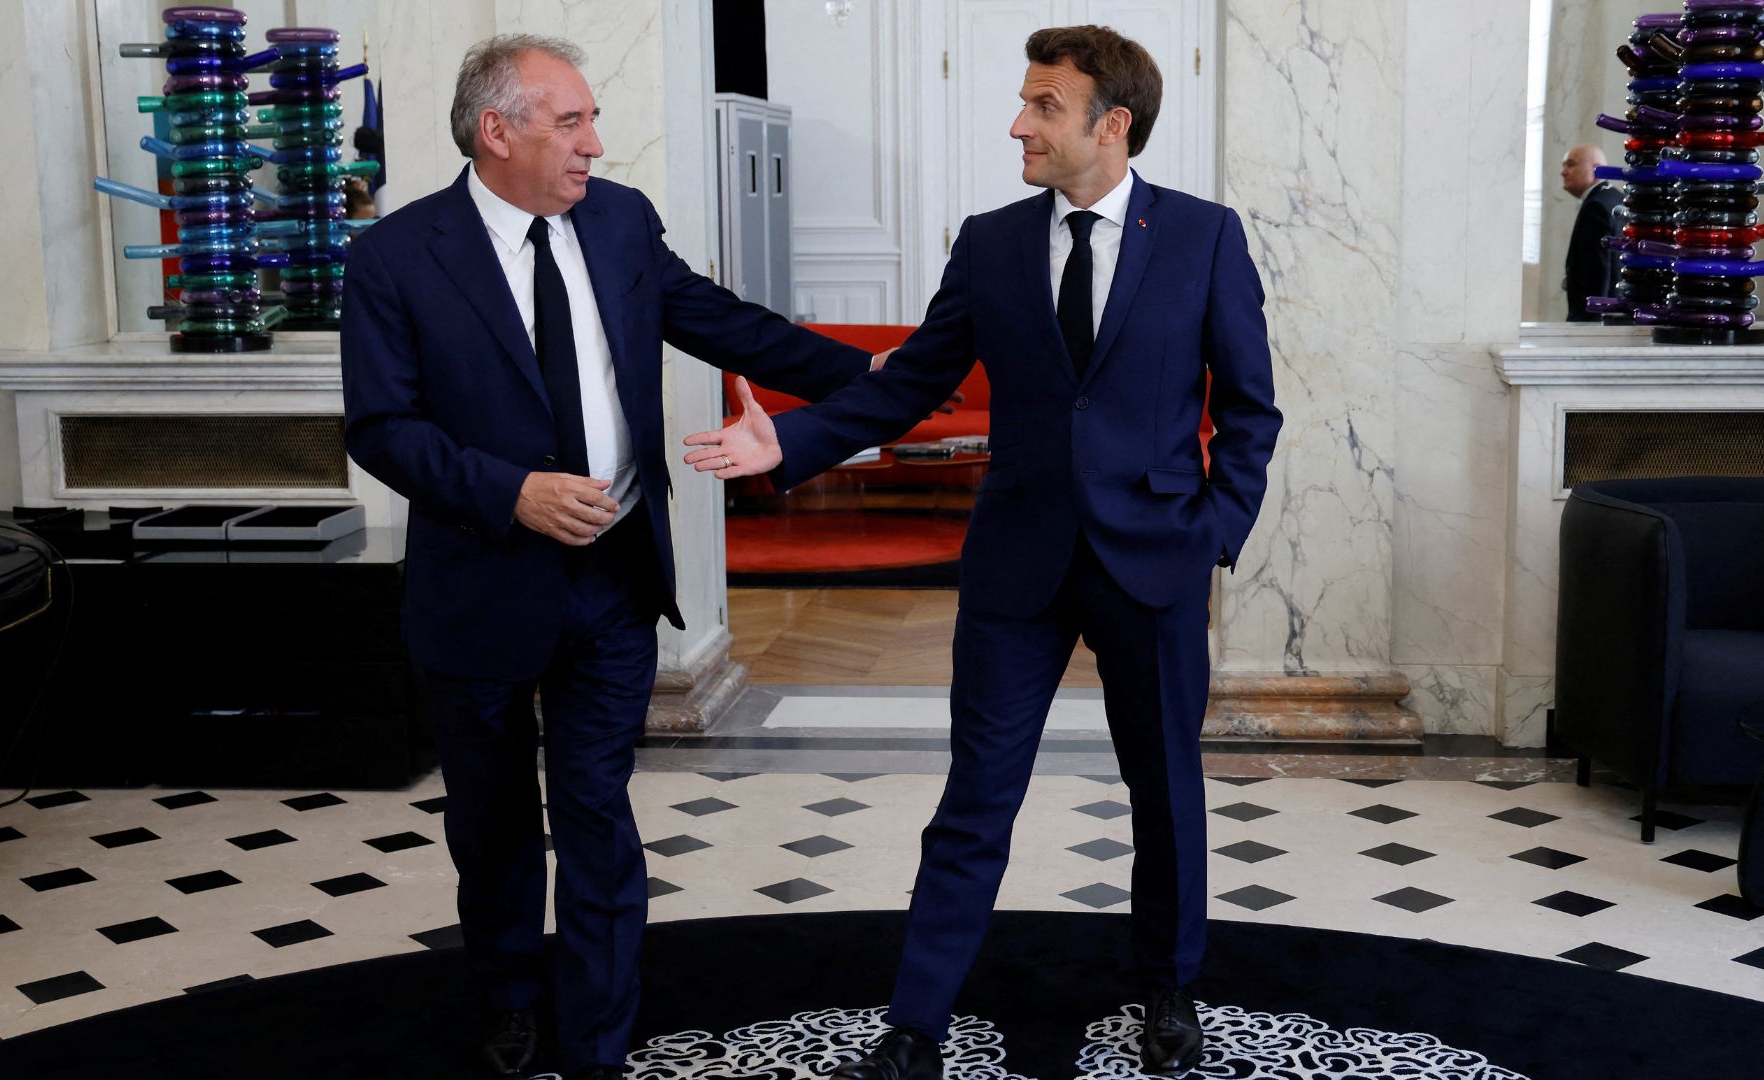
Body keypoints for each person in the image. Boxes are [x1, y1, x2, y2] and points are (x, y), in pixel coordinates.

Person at [686, 25, 1282, 1080]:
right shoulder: (992, 241)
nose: (1020, 122)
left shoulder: (1204, 237)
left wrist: (1214, 535)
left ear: (1114, 124)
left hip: (1156, 558)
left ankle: (1169, 987)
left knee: (1166, 790)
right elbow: (907, 382)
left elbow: (1249, 410)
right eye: (1023, 101)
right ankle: (916, 1023)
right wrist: (790, 442)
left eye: (1044, 105)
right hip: (1018, 563)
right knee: (976, 796)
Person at [339, 34, 878, 1080]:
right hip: (480, 588)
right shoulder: (397, 257)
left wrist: (883, 377)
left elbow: (722, 322)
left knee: (595, 808)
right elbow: (381, 428)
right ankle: (507, 994)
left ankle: (599, 1036)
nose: (597, 142)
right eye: (572, 122)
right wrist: (512, 493)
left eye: (591, 120)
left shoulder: (621, 221)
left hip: (613, 582)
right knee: (490, 821)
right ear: (498, 131)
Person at [1560, 143, 1623, 322]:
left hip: (1596, 321)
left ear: (1596, 169)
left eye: (1571, 164)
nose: (1563, 172)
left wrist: (1588, 324)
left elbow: (1597, 273)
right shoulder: (1616, 199)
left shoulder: (1596, 207)